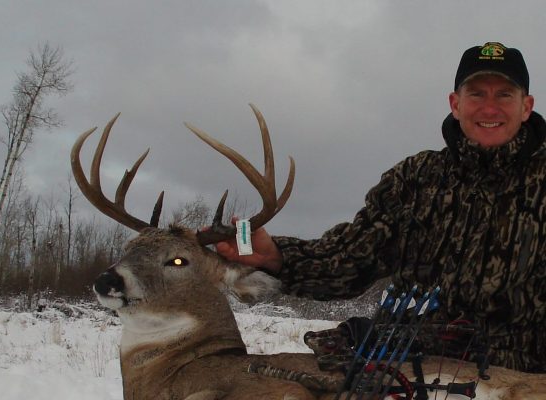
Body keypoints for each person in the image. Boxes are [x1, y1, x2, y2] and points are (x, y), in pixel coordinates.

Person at [215, 42, 546, 373]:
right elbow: (350, 260)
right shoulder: (415, 179)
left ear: (526, 106)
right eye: (476, 94)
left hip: (522, 375)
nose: (490, 109)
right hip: (409, 367)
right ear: (455, 104)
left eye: (504, 95)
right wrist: (274, 255)